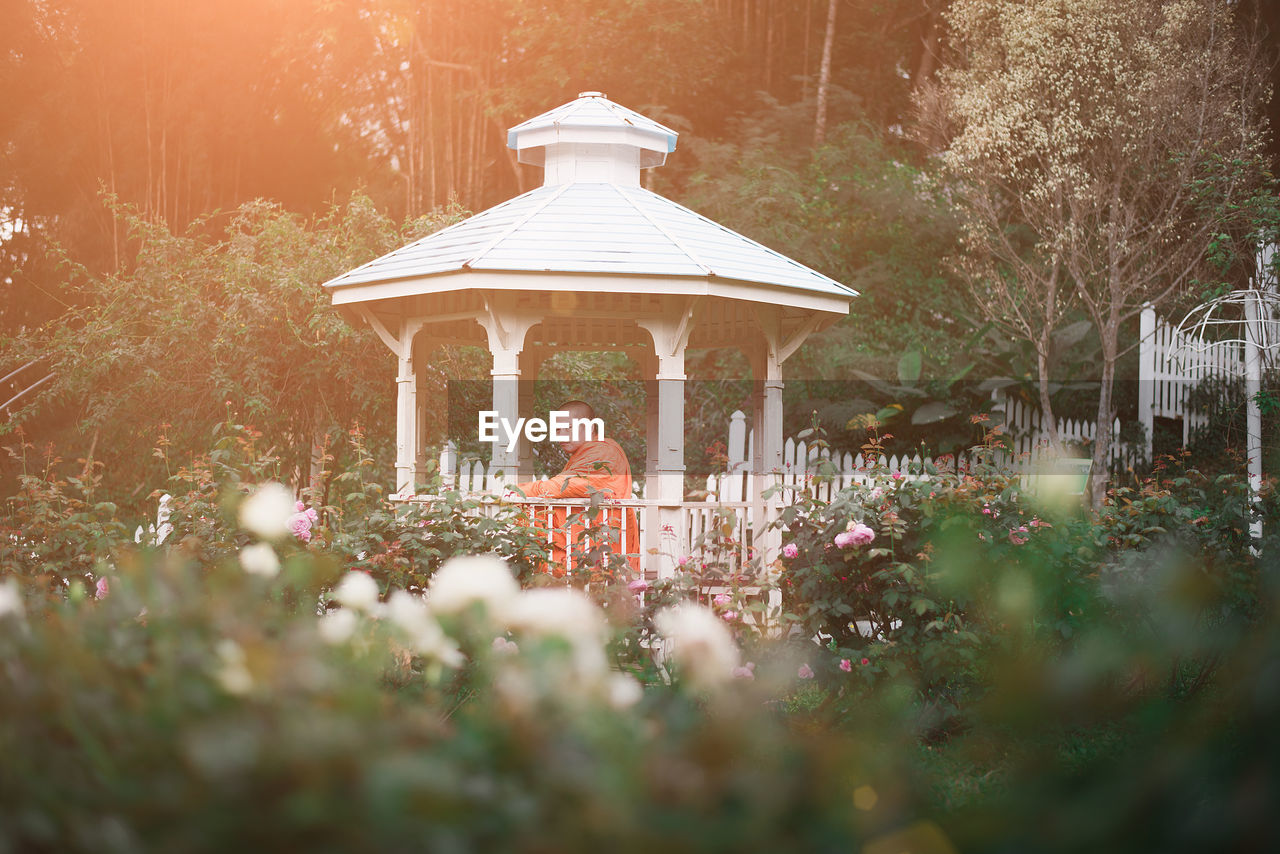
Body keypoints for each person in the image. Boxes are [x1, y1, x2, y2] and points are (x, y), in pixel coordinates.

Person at [510, 400, 638, 576]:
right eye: (557, 429)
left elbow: (561, 487)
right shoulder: (587, 453)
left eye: (568, 428)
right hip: (586, 537)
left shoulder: (603, 452)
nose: (561, 435)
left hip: (599, 539)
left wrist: (515, 492)